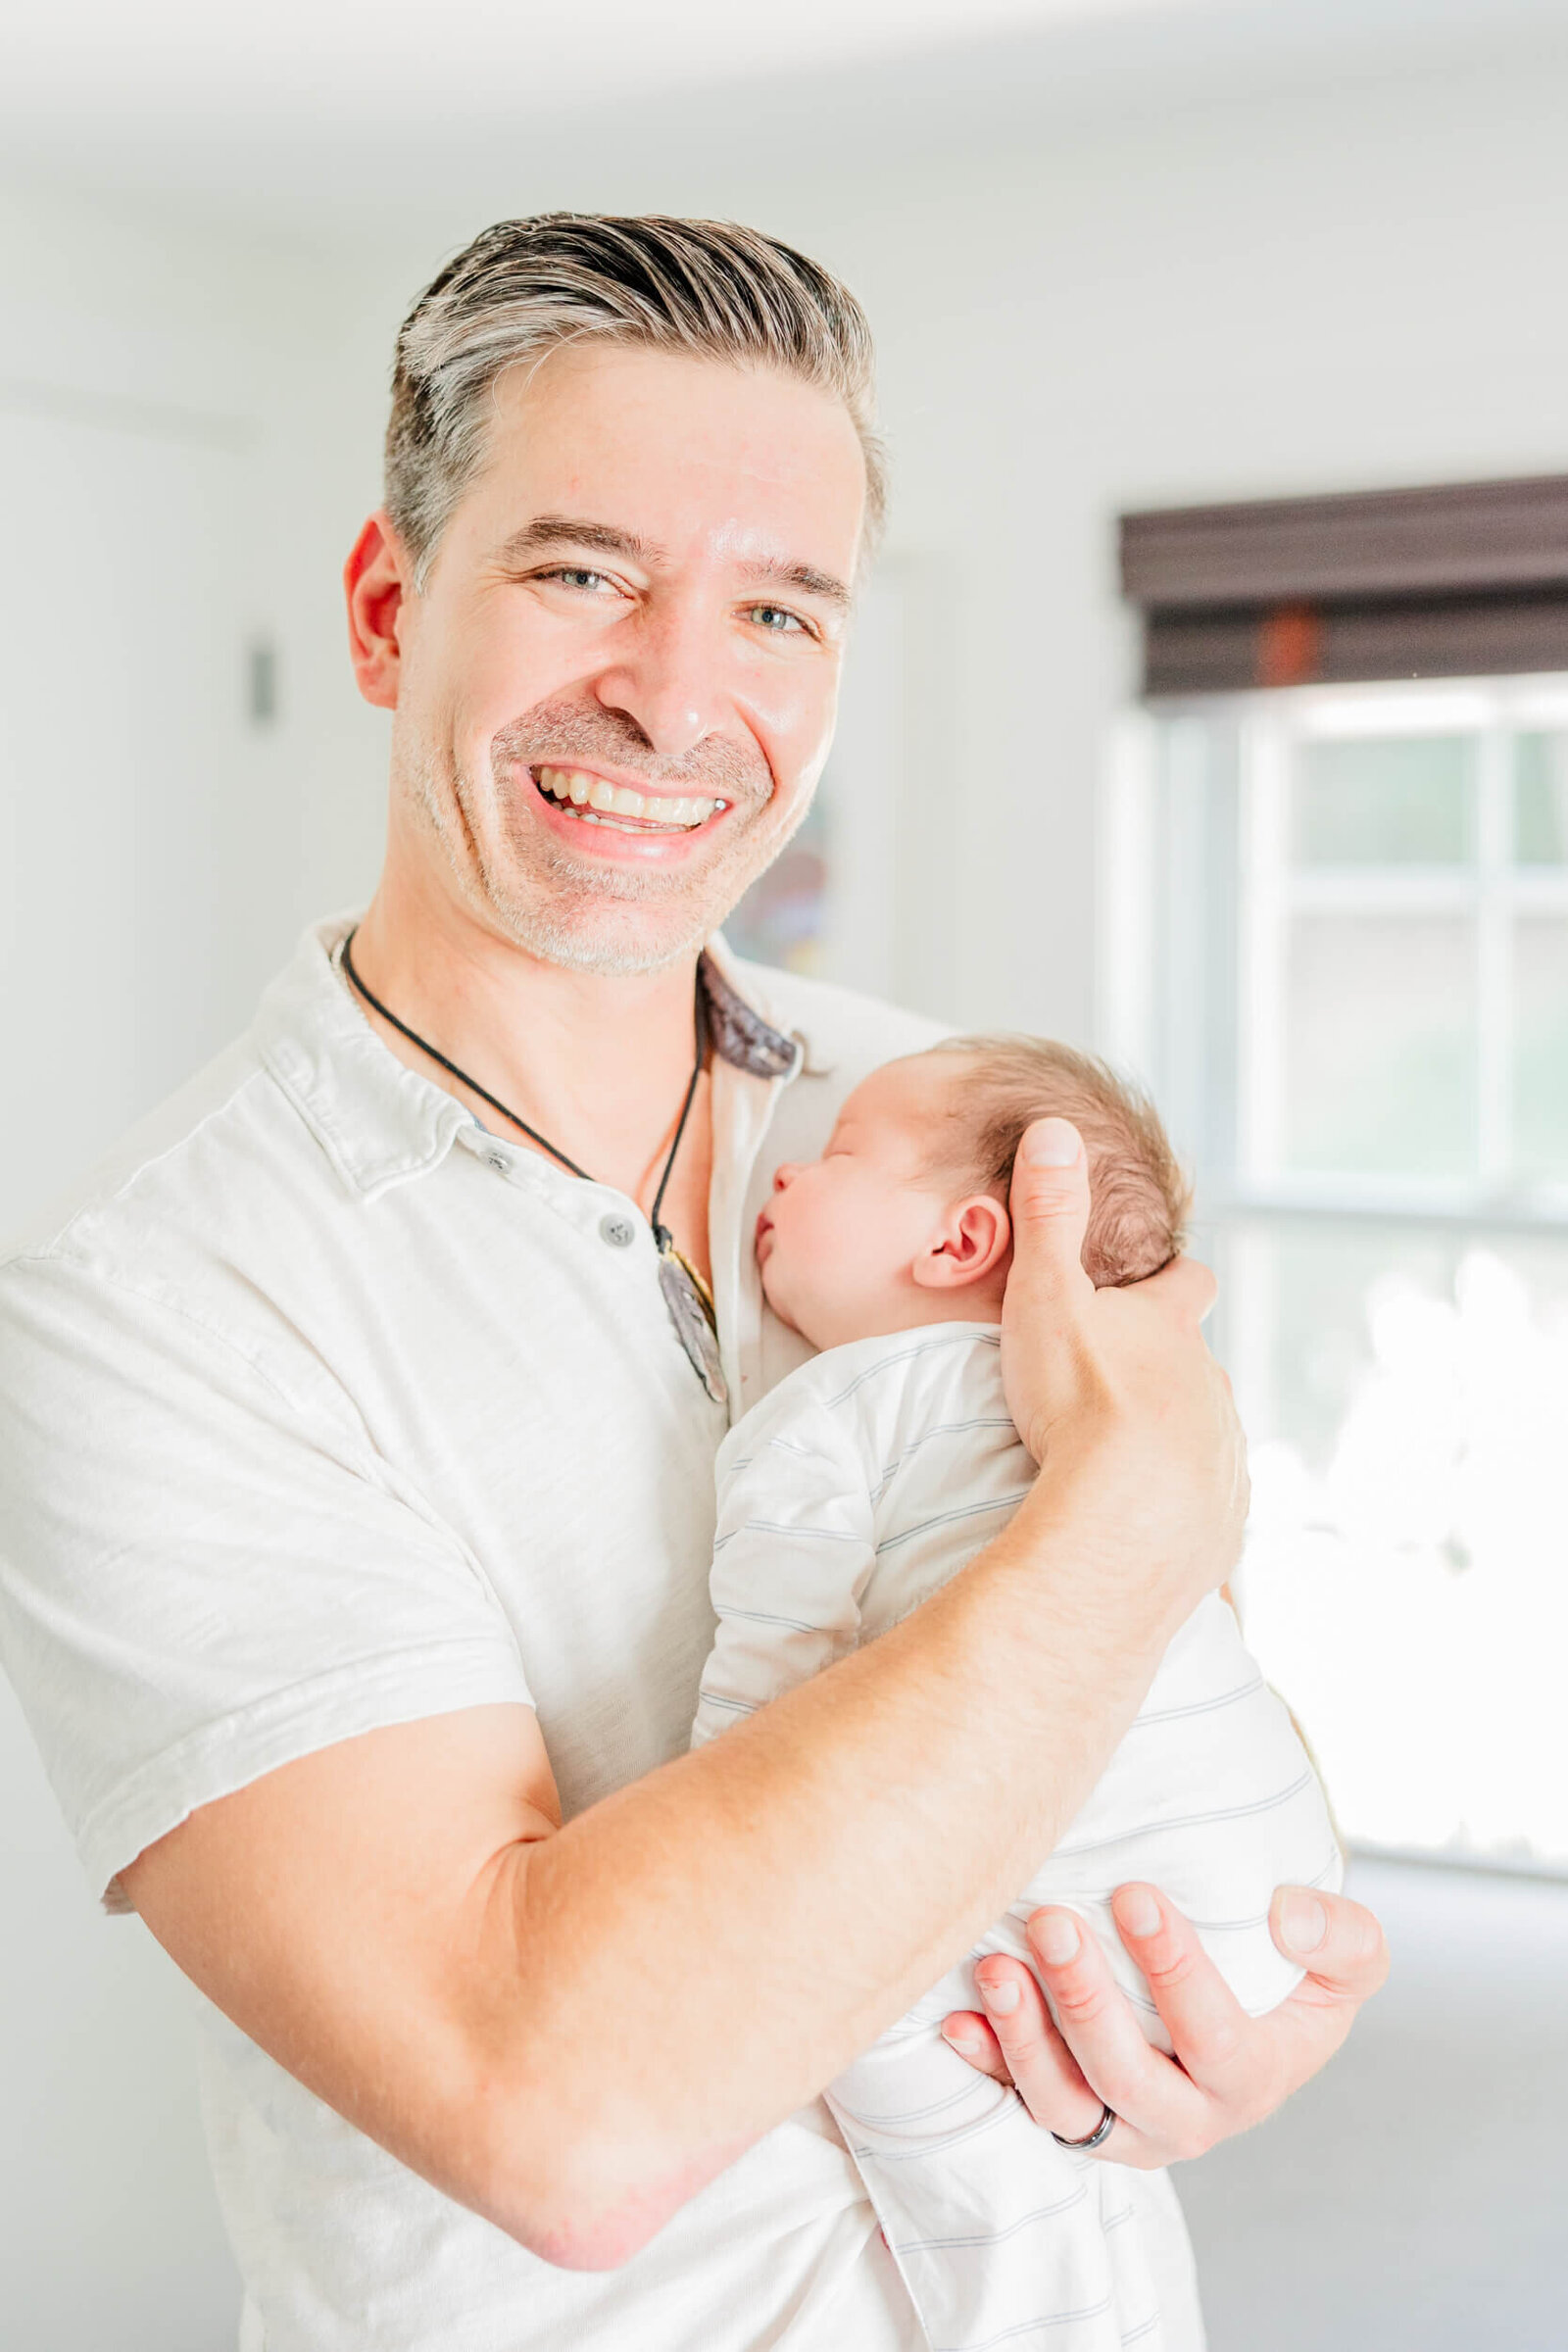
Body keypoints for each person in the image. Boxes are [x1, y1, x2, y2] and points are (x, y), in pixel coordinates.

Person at [0, 215, 1386, 2352]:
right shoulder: (158, 1301)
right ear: (388, 611)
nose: (676, 689)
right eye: (578, 572)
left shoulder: (934, 1124)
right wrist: (1124, 1520)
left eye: (775, 609)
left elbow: (1160, 1724)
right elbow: (557, 2110)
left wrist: (1231, 2003)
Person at [692, 1034, 1344, 2350]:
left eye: (834, 1157)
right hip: (1269, 1874)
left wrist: (716, 1839)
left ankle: (1026, 2310)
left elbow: (772, 1652)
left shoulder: (831, 1413)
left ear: (961, 1241)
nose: (785, 1180)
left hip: (1104, 1887)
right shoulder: (1118, 1377)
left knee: (853, 2021)